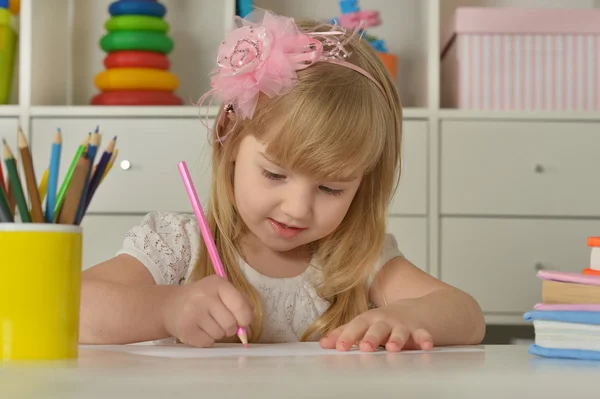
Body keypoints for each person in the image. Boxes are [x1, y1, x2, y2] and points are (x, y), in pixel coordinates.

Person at [80, 9, 485, 352]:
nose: (297, 208)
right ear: (230, 138)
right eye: (274, 173)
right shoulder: (178, 246)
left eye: (331, 188)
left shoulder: (357, 260)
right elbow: (68, 306)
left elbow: (466, 315)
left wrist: (406, 316)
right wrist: (165, 309)